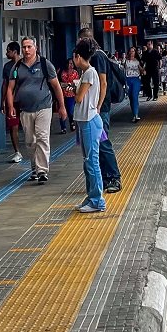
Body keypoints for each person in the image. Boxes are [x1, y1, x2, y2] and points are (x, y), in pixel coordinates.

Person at [4, 37, 67, 183]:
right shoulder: (17, 67)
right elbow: (10, 88)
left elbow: (57, 86)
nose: (26, 50)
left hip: (44, 107)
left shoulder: (45, 64)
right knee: (30, 141)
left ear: (35, 47)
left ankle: (42, 171)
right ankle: (34, 169)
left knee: (42, 138)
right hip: (25, 109)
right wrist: (11, 106)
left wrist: (62, 106)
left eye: (29, 47)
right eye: (24, 47)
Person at [84, 28, 122, 193]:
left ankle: (114, 177)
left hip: (101, 108)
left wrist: (99, 105)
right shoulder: (97, 56)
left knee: (102, 142)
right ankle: (106, 178)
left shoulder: (98, 56)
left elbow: (103, 82)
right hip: (98, 107)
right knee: (98, 144)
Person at [73, 40, 106, 213]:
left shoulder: (88, 73)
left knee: (92, 162)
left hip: (89, 121)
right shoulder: (88, 73)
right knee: (88, 163)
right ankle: (91, 196)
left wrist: (73, 88)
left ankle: (97, 201)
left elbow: (79, 98)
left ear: (78, 56)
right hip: (86, 120)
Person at [0, 41, 23, 164]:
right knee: (12, 126)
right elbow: (5, 85)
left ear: (14, 52)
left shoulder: (24, 64)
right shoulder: (7, 67)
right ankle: (17, 152)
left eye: (8, 51)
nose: (6, 53)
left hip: (24, 101)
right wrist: (2, 101)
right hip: (11, 102)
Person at [58, 59, 80, 134]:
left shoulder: (75, 72)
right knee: (62, 110)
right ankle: (63, 127)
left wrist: (68, 84)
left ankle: (72, 123)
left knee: (71, 111)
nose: (70, 65)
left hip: (72, 95)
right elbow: (60, 84)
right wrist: (70, 84)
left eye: (72, 64)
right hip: (62, 95)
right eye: (69, 63)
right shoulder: (62, 72)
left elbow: (76, 83)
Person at [124, 47, 143, 122]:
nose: (132, 53)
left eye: (133, 51)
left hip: (136, 79)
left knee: (135, 96)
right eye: (130, 51)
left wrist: (143, 70)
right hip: (128, 80)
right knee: (131, 98)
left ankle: (136, 115)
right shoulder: (125, 61)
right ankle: (134, 114)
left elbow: (141, 69)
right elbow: (123, 70)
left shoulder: (137, 61)